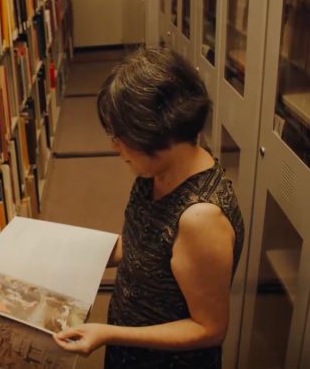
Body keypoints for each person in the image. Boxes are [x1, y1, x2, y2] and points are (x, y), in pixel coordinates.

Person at [53, 47, 244, 368]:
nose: (114, 146)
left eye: (120, 136)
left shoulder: (200, 218)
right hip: (130, 348)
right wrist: (63, 256)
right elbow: (143, 247)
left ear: (156, 135)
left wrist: (108, 334)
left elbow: (209, 329)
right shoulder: (155, 170)